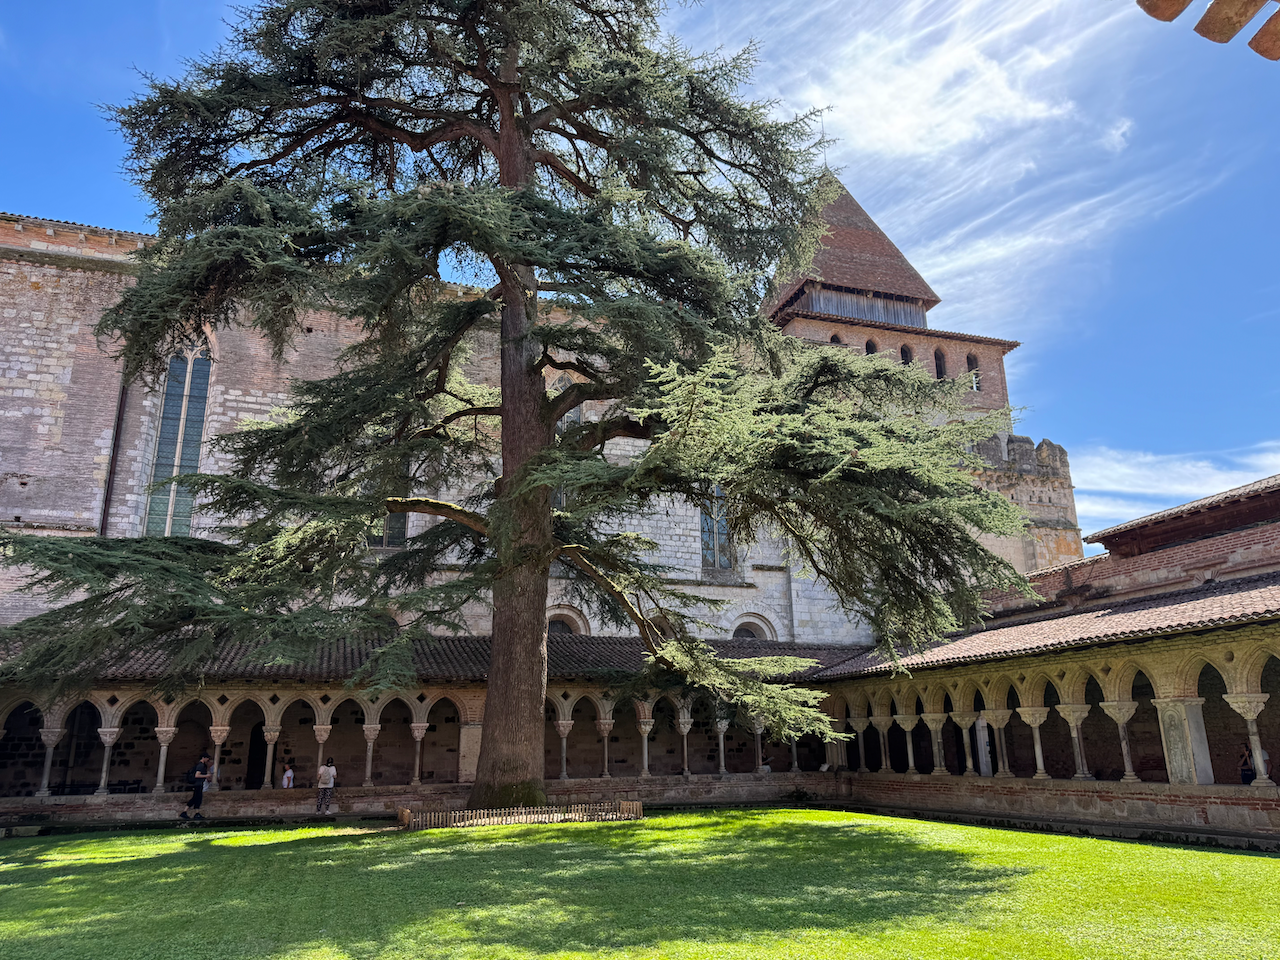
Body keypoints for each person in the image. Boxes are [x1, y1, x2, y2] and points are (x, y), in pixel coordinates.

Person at [179, 751, 213, 820]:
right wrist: (207, 775)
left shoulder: (202, 765)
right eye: (207, 758)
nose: (207, 760)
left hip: (198, 784)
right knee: (196, 798)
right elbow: (197, 775)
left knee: (197, 798)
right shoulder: (200, 765)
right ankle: (186, 812)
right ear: (203, 758)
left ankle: (194, 813)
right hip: (198, 784)